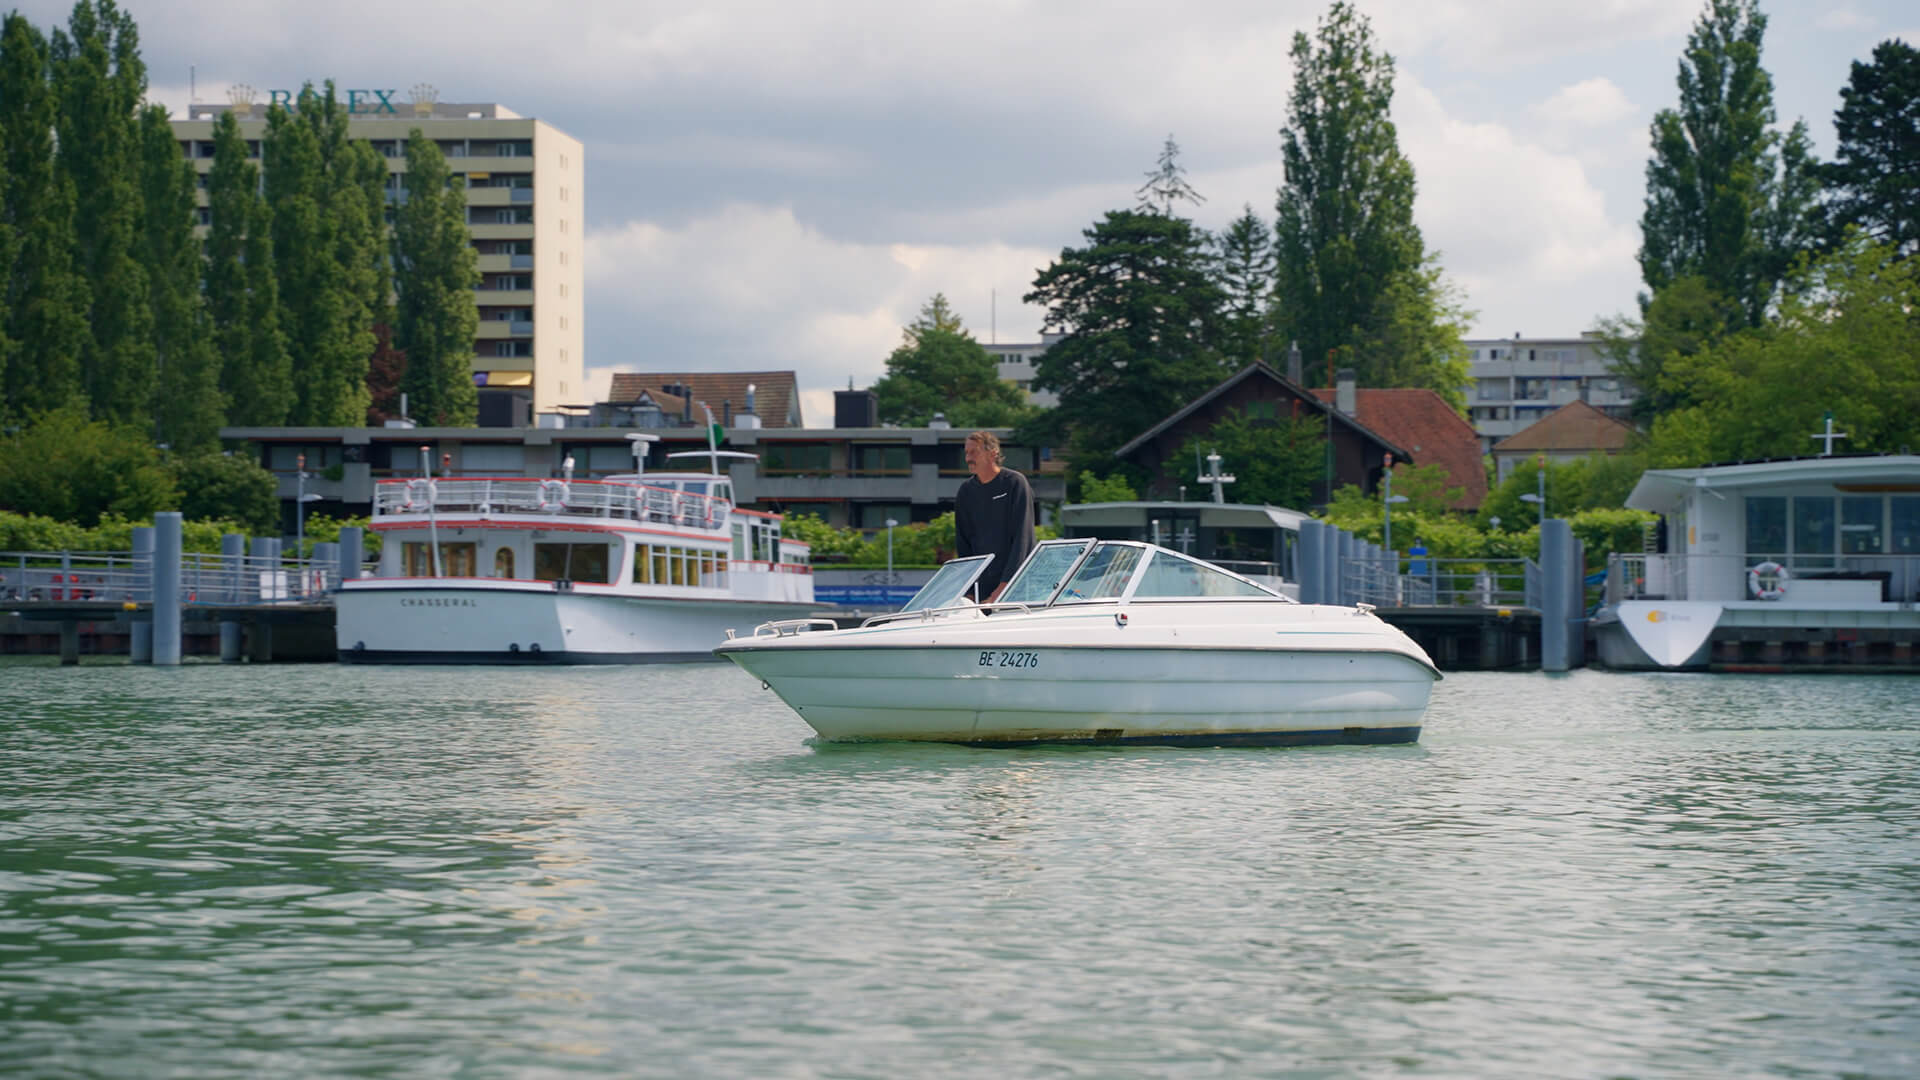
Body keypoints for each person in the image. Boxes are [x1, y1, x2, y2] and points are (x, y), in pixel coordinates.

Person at [954, 430, 1035, 604]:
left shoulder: (1015, 483)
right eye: (966, 453)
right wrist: (968, 592)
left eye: (974, 452)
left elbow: (1023, 538)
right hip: (979, 589)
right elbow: (963, 544)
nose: (968, 458)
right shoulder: (966, 491)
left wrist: (1004, 587)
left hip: (1015, 586)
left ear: (993, 454)